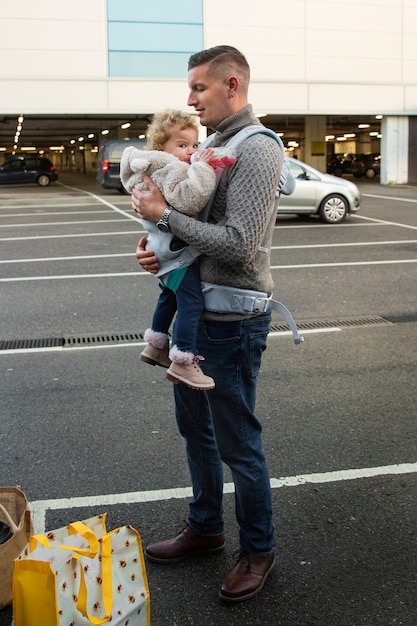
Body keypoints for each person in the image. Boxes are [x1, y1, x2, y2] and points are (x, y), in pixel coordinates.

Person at [132, 46, 283, 603]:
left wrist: (164, 218)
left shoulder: (258, 149)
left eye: (199, 88)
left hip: (232, 322)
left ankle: (258, 549)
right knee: (195, 431)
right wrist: (155, 246)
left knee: (237, 442)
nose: (189, 99)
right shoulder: (210, 146)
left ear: (232, 84)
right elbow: (189, 231)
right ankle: (206, 528)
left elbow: (242, 247)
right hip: (194, 320)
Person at [121, 110, 236, 390]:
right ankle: (183, 359)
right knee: (191, 302)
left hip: (163, 252)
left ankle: (156, 345)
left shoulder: (152, 168)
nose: (190, 151)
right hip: (176, 255)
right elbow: (189, 200)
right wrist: (202, 168)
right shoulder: (169, 168)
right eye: (182, 145)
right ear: (162, 148)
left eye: (194, 145)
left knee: (169, 297)